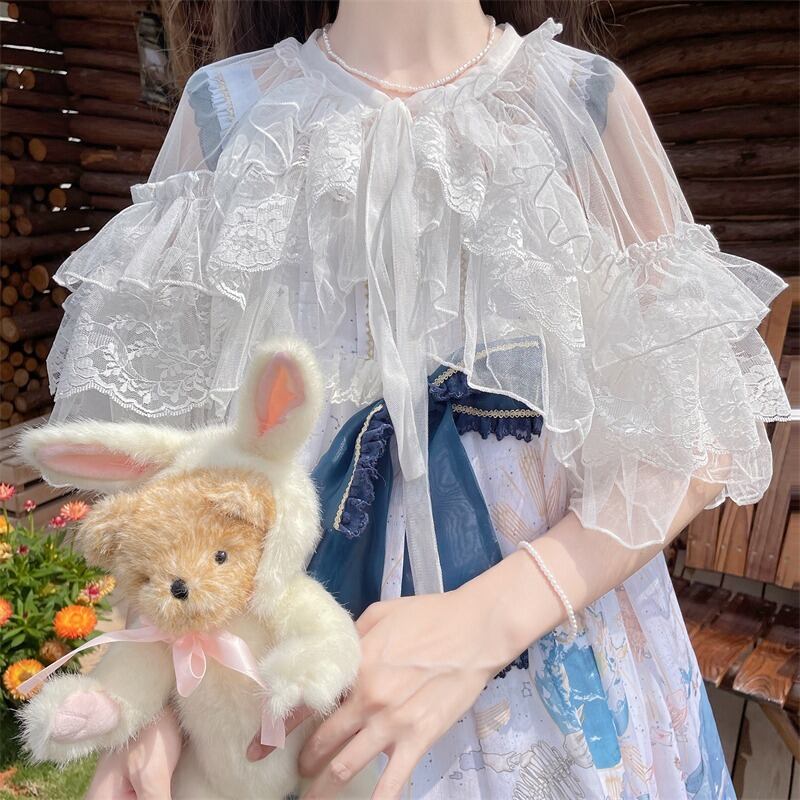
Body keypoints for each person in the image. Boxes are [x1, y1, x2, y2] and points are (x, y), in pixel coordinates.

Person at [47, 1, 790, 798]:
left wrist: (490, 621)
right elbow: (177, 466)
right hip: (281, 687)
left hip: (564, 681)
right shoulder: (228, 115)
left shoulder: (578, 104)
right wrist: (159, 685)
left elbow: (694, 433)